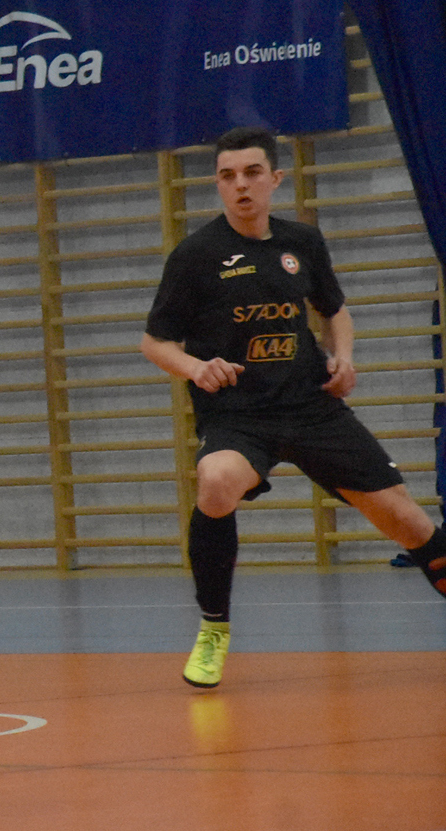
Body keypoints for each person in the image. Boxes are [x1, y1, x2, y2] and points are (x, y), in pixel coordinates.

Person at [142, 124, 446, 689]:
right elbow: (155, 342)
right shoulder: (195, 256)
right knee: (214, 481)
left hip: (311, 408)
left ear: (275, 179)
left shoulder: (302, 243)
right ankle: (213, 629)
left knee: (409, 523)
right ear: (218, 185)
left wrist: (344, 356)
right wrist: (195, 367)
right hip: (239, 415)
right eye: (228, 176)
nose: (241, 186)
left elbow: (334, 310)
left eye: (253, 173)